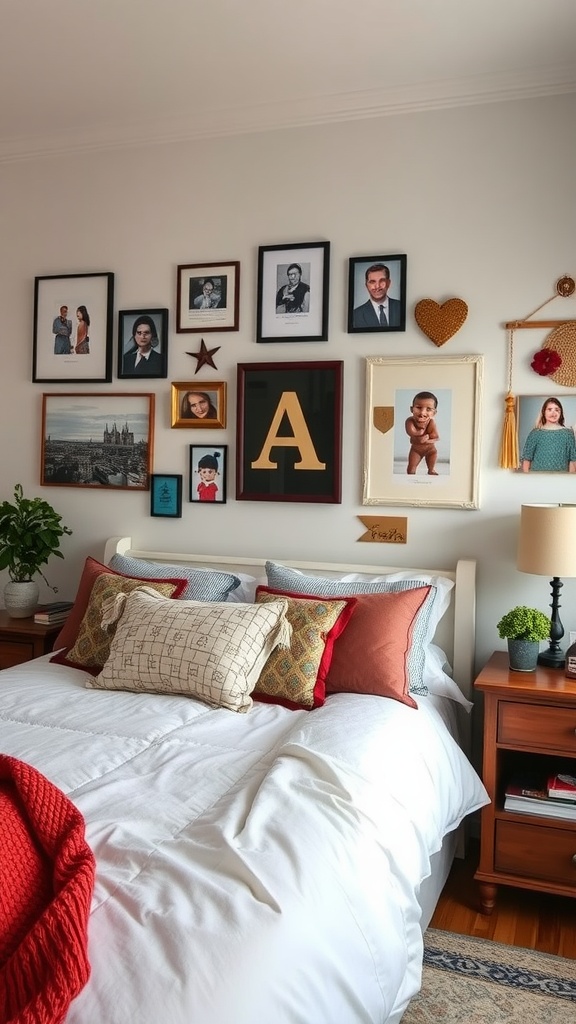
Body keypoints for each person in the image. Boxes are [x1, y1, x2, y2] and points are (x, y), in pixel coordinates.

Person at [521, 397, 576, 472]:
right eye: (550, 409)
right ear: (544, 412)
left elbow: (572, 460)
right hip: (537, 477)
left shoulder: (568, 434)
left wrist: (569, 478)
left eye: (557, 410)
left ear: (560, 413)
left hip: (560, 477)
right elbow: (527, 459)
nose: (553, 413)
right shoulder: (535, 433)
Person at [353, 264, 402, 329]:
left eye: (382, 281)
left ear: (388, 283)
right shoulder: (356, 315)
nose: (377, 286)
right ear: (366, 285)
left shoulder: (401, 307)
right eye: (372, 282)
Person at [405, 391, 439, 475]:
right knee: (411, 469)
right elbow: (410, 432)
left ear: (434, 413)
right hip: (416, 450)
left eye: (428, 409)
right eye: (419, 408)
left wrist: (427, 440)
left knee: (433, 453)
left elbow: (436, 437)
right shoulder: (410, 421)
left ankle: (431, 469)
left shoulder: (431, 422)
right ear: (411, 409)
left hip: (430, 449)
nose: (422, 413)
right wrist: (418, 433)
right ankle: (411, 475)